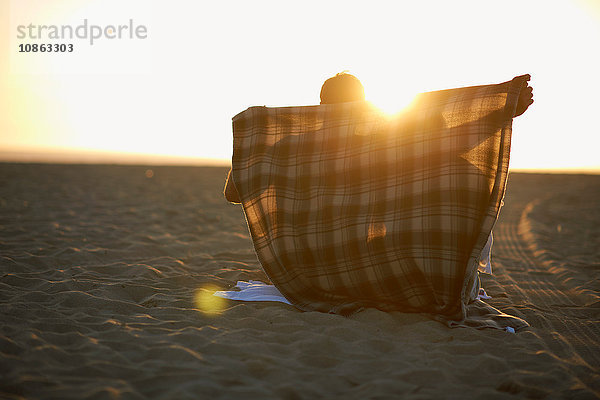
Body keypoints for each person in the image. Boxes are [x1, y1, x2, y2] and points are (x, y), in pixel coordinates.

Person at [225, 72, 533, 203]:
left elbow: (233, 193)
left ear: (320, 107)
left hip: (304, 268)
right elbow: (451, 145)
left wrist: (256, 141)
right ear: (362, 109)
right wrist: (503, 113)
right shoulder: (378, 148)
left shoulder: (290, 148)